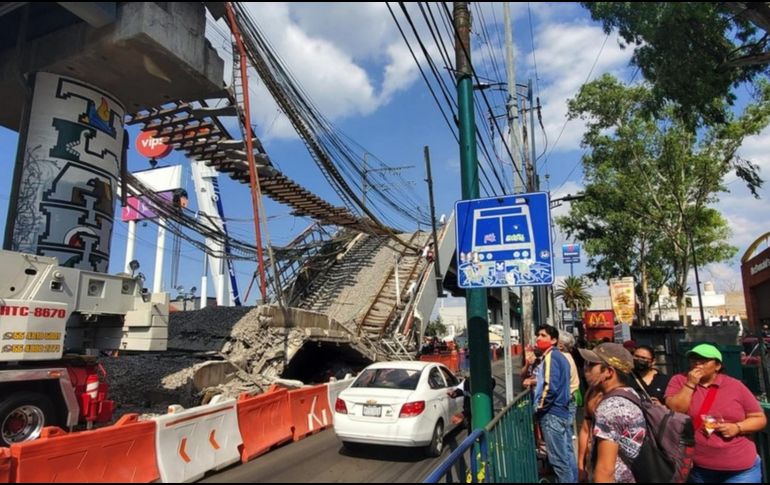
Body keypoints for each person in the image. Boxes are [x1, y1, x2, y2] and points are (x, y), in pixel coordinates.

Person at [665, 343, 767, 483]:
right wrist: (690, 384)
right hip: (699, 467)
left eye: (704, 360)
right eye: (694, 359)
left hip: (740, 468)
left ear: (717, 366)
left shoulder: (735, 386)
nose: (697, 363)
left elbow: (759, 418)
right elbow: (676, 410)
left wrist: (737, 428)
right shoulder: (679, 380)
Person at [579, 342, 645, 483]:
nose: (586, 369)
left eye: (591, 365)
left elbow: (606, 470)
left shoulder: (610, 409)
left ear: (609, 372)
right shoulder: (630, 393)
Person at [524, 325, 576, 483]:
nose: (538, 338)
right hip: (561, 411)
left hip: (552, 414)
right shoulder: (561, 357)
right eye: (538, 335)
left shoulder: (551, 357)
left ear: (553, 340)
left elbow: (549, 387)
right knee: (565, 455)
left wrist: (539, 408)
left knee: (558, 461)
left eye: (543, 335)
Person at [576, 386, 604, 482]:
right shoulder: (592, 393)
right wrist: (581, 465)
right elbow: (585, 430)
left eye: (590, 369)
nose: (587, 372)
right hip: (595, 461)